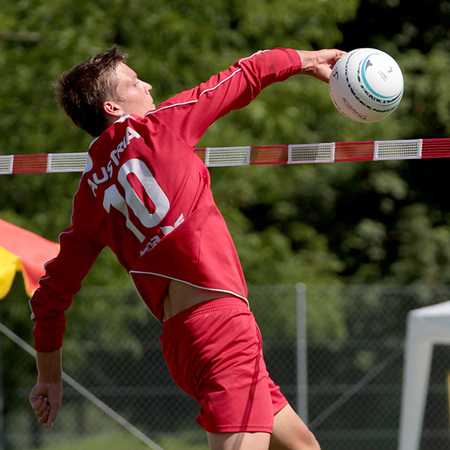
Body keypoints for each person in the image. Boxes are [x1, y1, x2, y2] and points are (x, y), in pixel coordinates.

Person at [29, 44, 345, 449]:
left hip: (182, 343)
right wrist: (312, 59)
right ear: (113, 107)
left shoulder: (89, 194)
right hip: (221, 328)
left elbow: (49, 298)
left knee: (303, 447)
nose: (147, 85)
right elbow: (247, 72)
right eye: (133, 81)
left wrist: (49, 377)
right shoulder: (160, 127)